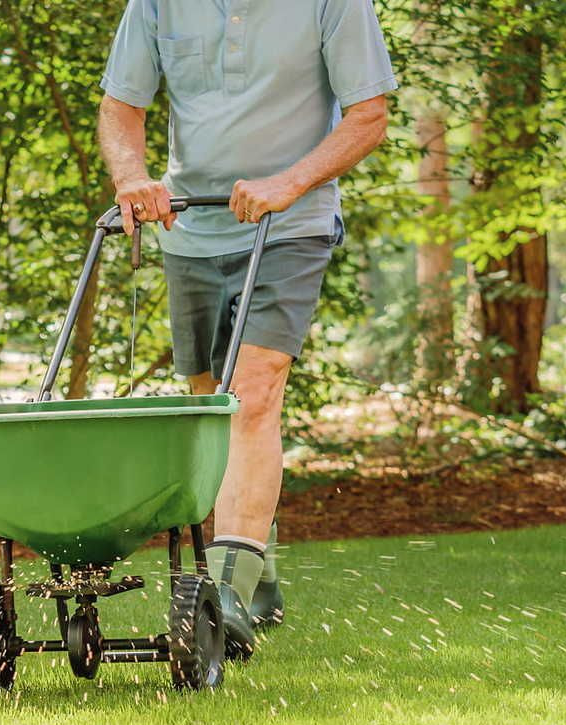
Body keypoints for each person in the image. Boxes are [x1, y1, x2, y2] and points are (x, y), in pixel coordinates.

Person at [98, 0, 397, 657]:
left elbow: (369, 116)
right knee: (210, 408)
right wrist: (132, 176)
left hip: (289, 225)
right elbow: (122, 104)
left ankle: (227, 593)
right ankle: (255, 562)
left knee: (252, 396)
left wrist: (290, 183)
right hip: (189, 228)